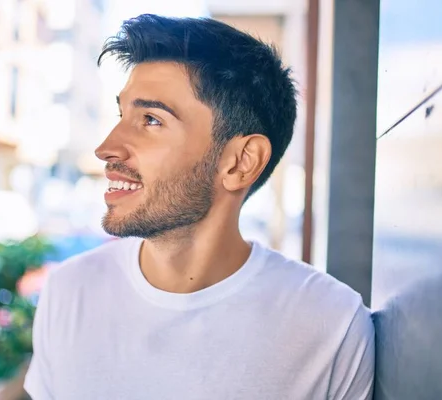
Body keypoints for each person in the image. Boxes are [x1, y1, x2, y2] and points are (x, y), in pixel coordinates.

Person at [24, 14, 374, 400]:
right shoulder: (69, 292)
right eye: (122, 115)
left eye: (151, 120)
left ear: (241, 162)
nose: (107, 148)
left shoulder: (330, 325)